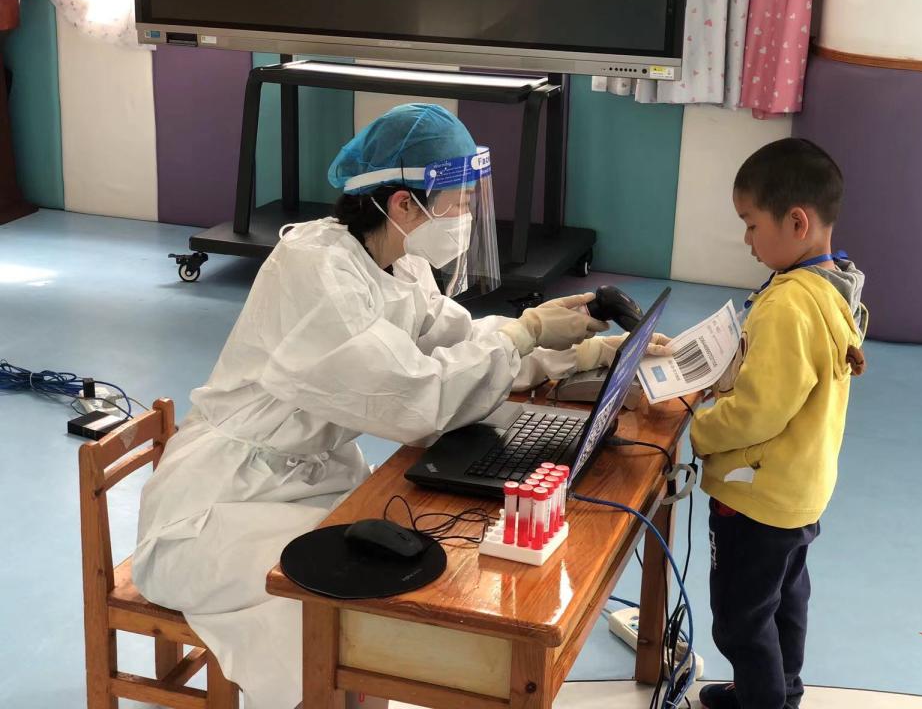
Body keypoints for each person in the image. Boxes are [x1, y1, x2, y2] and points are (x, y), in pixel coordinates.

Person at [133, 103, 669, 709]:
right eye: (457, 202)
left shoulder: (398, 260)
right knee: (335, 604)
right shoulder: (315, 273)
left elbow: (457, 345)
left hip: (309, 481)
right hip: (221, 506)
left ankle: (356, 694)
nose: (465, 217)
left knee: (398, 574)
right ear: (403, 204)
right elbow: (414, 397)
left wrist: (574, 350)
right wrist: (525, 334)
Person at [691, 139, 868, 709]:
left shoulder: (789, 305)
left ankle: (763, 702)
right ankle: (778, 693)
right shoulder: (835, 285)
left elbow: (758, 411)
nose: (746, 240)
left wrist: (696, 431)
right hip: (801, 491)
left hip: (757, 500)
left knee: (740, 620)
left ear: (796, 222)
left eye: (751, 224)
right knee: (785, 602)